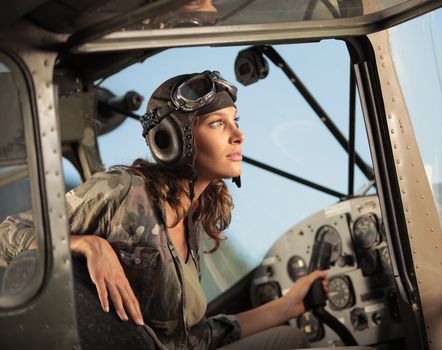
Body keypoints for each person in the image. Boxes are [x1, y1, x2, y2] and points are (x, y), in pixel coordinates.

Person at [0, 71, 328, 350]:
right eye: (217, 124)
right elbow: (7, 235)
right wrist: (87, 244)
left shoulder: (192, 218)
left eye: (235, 121)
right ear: (173, 139)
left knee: (290, 337)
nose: (238, 135)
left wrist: (288, 305)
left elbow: (190, 340)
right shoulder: (123, 190)